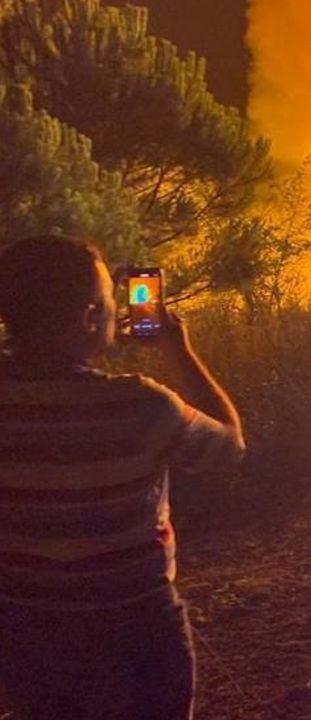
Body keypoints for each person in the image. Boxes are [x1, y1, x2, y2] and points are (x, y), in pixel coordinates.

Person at [0, 235, 245, 720]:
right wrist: (180, 350)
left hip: (25, 630)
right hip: (136, 630)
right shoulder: (141, 406)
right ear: (92, 316)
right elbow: (228, 449)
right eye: (112, 297)